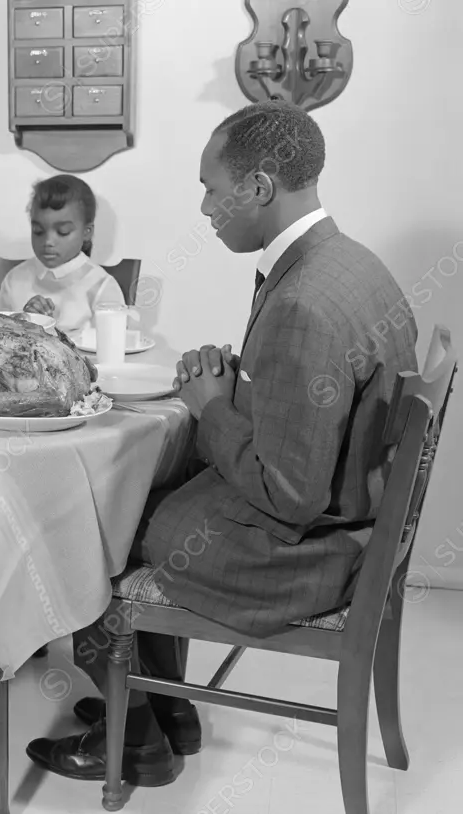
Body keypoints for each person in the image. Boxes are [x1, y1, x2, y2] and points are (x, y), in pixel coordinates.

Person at [26, 100, 419, 787]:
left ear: (260, 187)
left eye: (211, 187)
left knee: (89, 529)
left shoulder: (301, 302)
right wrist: (237, 386)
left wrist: (211, 409)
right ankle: (165, 707)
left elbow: (291, 497)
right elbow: (320, 409)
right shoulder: (349, 263)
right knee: (140, 492)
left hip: (307, 551)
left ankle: (140, 739)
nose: (205, 206)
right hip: (350, 521)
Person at [0, 174, 125, 335]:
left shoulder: (101, 286)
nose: (48, 241)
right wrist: (25, 322)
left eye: (63, 232)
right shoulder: (15, 280)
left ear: (87, 232)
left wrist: (49, 329)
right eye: (38, 231)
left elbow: (113, 346)